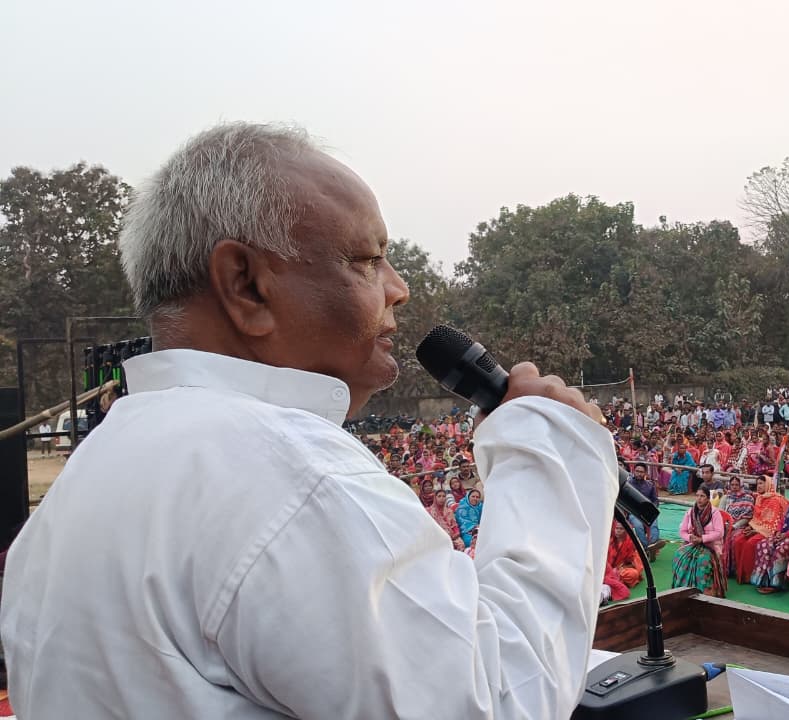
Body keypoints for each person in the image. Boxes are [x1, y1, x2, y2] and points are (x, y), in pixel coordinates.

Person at [0, 123, 618, 719]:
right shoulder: (283, 471)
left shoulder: (86, 479)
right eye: (367, 259)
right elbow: (498, 700)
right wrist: (550, 449)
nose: (399, 288)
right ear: (246, 286)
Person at [730, 475, 788, 584]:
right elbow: (756, 519)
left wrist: (755, 531)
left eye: (761, 483)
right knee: (738, 540)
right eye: (757, 484)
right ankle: (738, 573)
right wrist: (750, 527)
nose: (758, 486)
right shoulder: (760, 498)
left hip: (769, 530)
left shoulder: (775, 500)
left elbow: (773, 522)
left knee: (750, 544)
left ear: (768, 484)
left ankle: (748, 576)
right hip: (757, 528)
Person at [671, 486, 727, 597]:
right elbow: (682, 531)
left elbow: (719, 533)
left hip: (710, 545)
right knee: (679, 555)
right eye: (697, 496)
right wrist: (690, 537)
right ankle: (682, 588)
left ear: (708, 498)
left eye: (702, 496)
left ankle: (704, 591)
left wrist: (702, 539)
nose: (699, 499)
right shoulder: (690, 512)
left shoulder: (714, 513)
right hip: (693, 543)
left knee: (702, 560)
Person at [607, 519, 644, 592]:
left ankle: (613, 580)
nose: (618, 531)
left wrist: (621, 568)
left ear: (626, 531)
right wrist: (610, 569)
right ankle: (615, 580)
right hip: (609, 569)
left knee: (634, 574)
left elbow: (634, 564)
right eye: (617, 528)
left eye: (621, 529)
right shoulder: (610, 541)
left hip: (622, 570)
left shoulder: (631, 543)